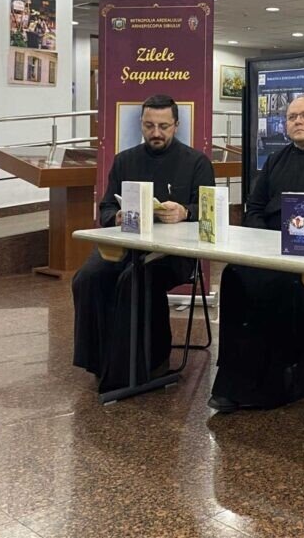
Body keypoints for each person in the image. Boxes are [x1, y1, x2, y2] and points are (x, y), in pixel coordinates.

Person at [208, 96, 304, 412]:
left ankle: (279, 382)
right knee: (234, 275)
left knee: (274, 285)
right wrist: (263, 240)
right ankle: (233, 379)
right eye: (291, 117)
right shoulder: (276, 160)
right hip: (271, 251)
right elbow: (254, 206)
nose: (297, 121)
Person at [72, 94, 215, 393]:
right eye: (149, 126)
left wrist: (186, 212)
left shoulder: (196, 163)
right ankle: (99, 360)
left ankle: (149, 361)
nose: (156, 133)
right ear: (141, 124)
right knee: (88, 277)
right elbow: (106, 208)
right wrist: (116, 216)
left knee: (136, 279)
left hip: (174, 254)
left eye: (163, 126)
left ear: (176, 126)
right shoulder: (125, 160)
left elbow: (209, 212)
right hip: (128, 244)